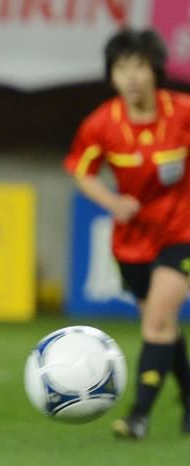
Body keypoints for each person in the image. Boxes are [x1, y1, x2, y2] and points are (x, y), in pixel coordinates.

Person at [64, 28, 190, 440]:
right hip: (132, 242)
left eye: (139, 66)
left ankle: (138, 416)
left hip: (180, 232)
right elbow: (80, 171)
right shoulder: (102, 123)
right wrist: (113, 202)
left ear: (155, 70)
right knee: (163, 327)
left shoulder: (182, 112)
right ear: (112, 76)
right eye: (122, 68)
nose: (132, 76)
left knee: (156, 321)